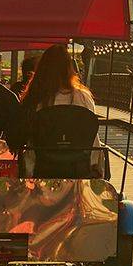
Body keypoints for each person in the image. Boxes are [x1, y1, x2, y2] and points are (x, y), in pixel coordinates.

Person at [14, 45, 103, 178]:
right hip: (80, 167)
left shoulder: (35, 98)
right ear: (69, 69)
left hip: (42, 168)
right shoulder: (83, 97)